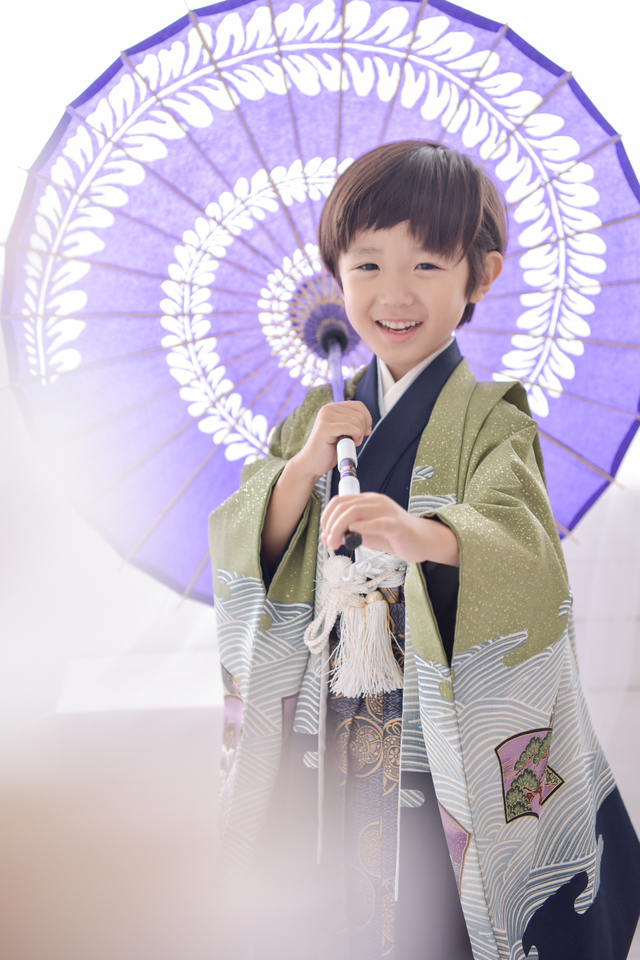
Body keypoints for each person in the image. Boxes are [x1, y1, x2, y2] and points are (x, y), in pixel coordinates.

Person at [209, 141, 640, 960]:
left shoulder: (491, 418)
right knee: (324, 913)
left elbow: (523, 544)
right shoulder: (316, 420)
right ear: (337, 276)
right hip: (330, 731)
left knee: (430, 924)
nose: (395, 293)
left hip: (431, 743)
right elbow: (246, 545)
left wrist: (423, 536)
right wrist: (301, 471)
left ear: (481, 275)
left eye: (428, 265)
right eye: (368, 264)